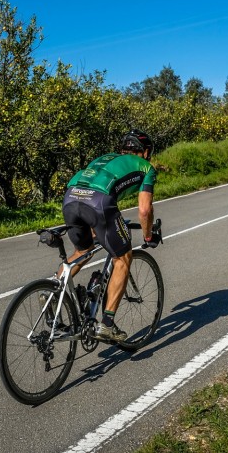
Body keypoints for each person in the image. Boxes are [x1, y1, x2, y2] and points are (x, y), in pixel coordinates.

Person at [58, 129, 157, 342]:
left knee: (83, 250)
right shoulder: (146, 167)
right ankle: (108, 324)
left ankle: (53, 296)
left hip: (70, 197)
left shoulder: (105, 159)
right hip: (98, 202)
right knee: (122, 257)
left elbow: (90, 189)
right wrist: (148, 236)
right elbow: (145, 210)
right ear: (146, 151)